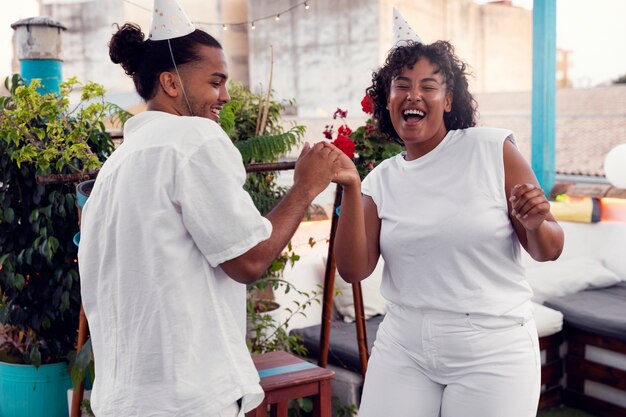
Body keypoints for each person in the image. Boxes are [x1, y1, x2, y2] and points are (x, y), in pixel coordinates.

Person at [77, 16, 345, 417]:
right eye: (215, 82)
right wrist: (306, 186)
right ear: (171, 84)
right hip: (187, 399)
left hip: (122, 399)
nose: (224, 96)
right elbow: (249, 260)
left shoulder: (114, 168)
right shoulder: (192, 138)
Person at [332, 40, 565, 417]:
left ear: (449, 100)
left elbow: (548, 249)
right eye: (402, 85)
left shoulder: (491, 150)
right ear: (387, 99)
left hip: (492, 347)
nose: (414, 95)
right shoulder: (380, 180)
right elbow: (353, 270)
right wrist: (350, 187)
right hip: (404, 345)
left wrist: (536, 225)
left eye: (428, 86)